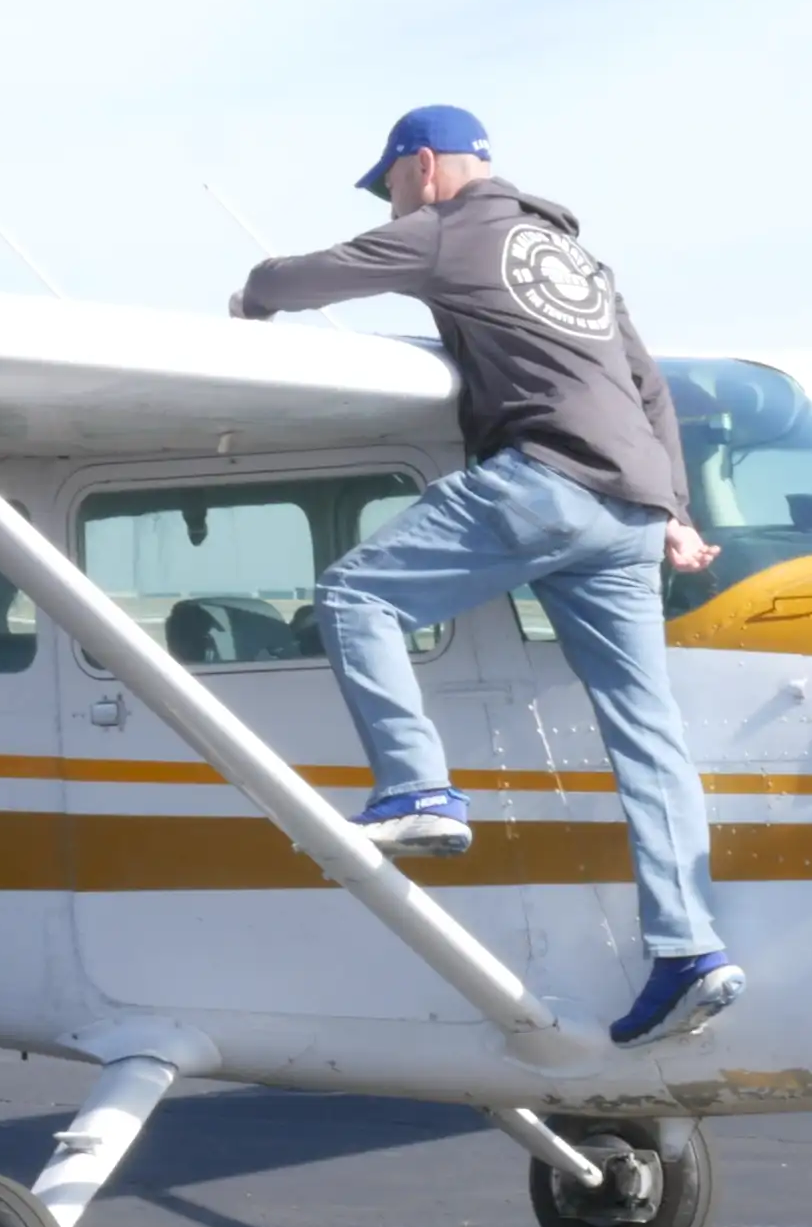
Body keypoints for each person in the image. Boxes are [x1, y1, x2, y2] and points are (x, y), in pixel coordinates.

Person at [228, 105, 743, 1048]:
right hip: (632, 509)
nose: (389, 204)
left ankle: (419, 790)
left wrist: (250, 307)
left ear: (422, 166)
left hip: (546, 483)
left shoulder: (448, 232)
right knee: (648, 731)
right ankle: (689, 950)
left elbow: (293, 278)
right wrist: (675, 511)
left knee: (355, 594)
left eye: (388, 185)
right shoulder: (576, 255)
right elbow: (650, 387)